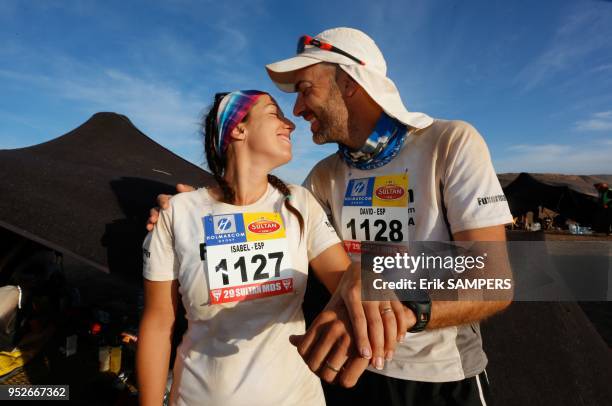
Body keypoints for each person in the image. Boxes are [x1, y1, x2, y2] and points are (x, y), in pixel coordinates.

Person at [149, 28, 513, 405]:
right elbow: (275, 228)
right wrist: (199, 210)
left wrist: (393, 298)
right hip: (346, 372)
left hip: (439, 377)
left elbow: (495, 276)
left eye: (306, 89)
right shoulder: (322, 177)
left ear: (350, 82)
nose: (297, 111)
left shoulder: (450, 142)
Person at [137, 90, 404, 405]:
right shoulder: (178, 213)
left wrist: (362, 274)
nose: (291, 124)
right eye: (275, 113)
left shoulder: (299, 203)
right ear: (238, 129)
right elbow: (157, 325)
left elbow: (347, 283)